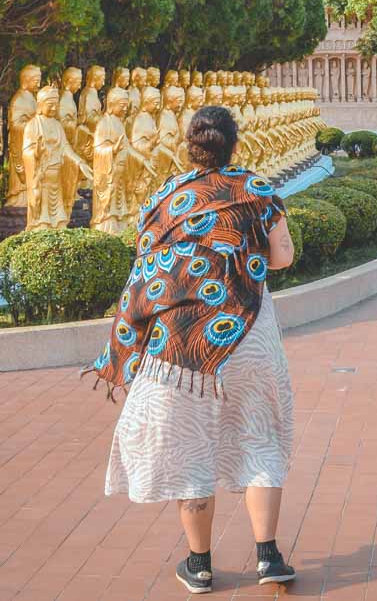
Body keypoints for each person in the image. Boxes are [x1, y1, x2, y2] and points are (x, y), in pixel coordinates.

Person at [90, 105, 297, 594]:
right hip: (247, 333)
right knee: (261, 437)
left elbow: (147, 266)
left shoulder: (165, 196)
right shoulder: (257, 191)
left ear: (190, 145)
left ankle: (199, 566)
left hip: (182, 348)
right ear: (233, 143)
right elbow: (283, 257)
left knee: (191, 448)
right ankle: (269, 558)